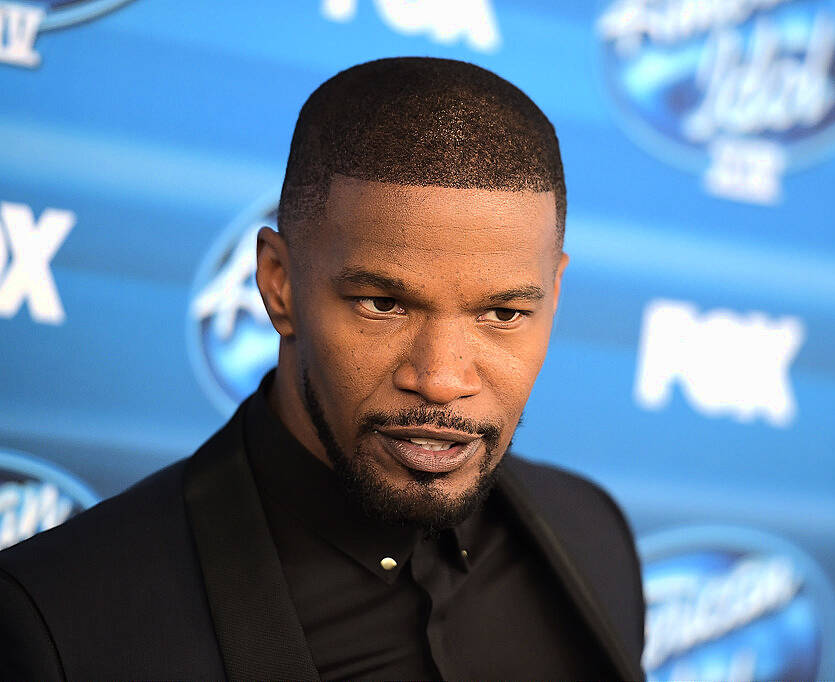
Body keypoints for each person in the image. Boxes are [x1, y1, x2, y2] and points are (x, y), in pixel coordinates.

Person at [0, 57, 645, 680]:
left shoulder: (592, 535)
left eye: (503, 313)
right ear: (279, 285)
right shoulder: (63, 621)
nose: (443, 379)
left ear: (553, 297)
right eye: (384, 305)